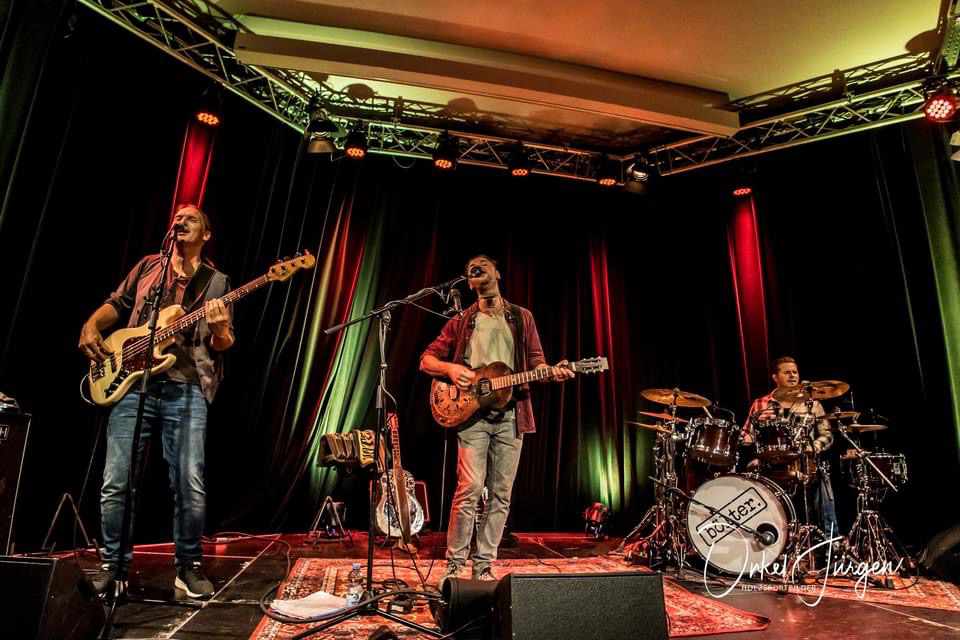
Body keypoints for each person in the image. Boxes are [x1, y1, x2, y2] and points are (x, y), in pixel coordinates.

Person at [78, 204, 234, 599]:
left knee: (189, 481)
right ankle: (113, 569)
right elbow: (117, 303)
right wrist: (91, 325)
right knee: (116, 480)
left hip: (186, 387)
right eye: (177, 217)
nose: (180, 221)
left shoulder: (216, 282)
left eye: (191, 218)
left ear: (206, 234)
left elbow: (223, 343)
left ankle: (188, 568)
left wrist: (219, 330)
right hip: (132, 384)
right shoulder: (150, 265)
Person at [420, 255, 574, 582]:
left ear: (497, 274)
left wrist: (550, 372)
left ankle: (484, 565)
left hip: (511, 416)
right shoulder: (462, 320)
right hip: (471, 416)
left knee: (501, 494)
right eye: (471, 269)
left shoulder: (521, 317)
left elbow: (536, 361)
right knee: (470, 488)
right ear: (470, 281)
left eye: (482, 265)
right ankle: (455, 565)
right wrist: (451, 368)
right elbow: (427, 360)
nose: (476, 269)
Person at [742, 356, 839, 536]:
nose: (793, 375)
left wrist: (813, 447)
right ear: (775, 377)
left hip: (804, 463)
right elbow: (747, 434)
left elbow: (827, 435)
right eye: (787, 372)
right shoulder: (760, 404)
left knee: (823, 478)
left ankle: (830, 541)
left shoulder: (812, 404)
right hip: (770, 466)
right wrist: (743, 440)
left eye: (795, 372)